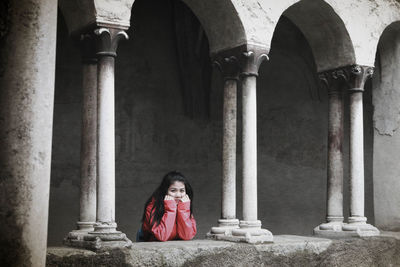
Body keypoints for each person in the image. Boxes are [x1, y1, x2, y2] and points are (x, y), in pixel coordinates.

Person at [138, 171, 197, 241]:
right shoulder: (152, 206)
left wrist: (183, 210)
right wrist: (170, 210)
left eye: (182, 191)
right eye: (173, 190)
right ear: (165, 191)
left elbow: (187, 236)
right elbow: (162, 236)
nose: (178, 195)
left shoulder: (184, 205)